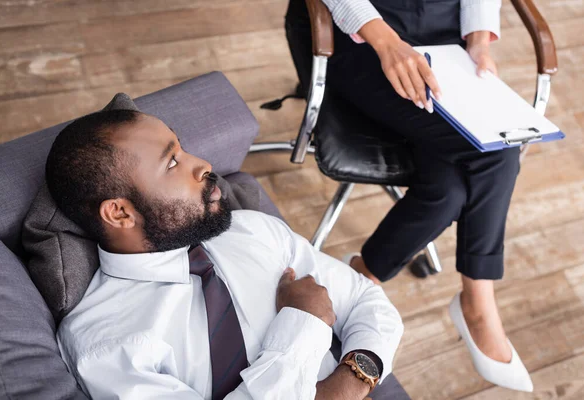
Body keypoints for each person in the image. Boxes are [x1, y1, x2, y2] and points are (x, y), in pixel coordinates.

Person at [47, 109, 404, 399]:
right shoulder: (105, 346)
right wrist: (304, 321)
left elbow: (366, 299)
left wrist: (351, 381)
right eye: (172, 163)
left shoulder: (251, 230)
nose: (203, 164)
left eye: (182, 148)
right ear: (120, 213)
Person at [285, 0, 533, 392]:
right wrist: (385, 42)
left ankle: (363, 275)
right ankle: (478, 305)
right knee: (496, 150)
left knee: (448, 188)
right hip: (363, 37)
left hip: (445, 46)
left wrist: (479, 41)